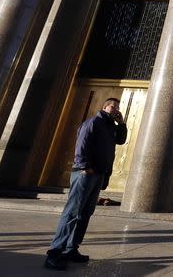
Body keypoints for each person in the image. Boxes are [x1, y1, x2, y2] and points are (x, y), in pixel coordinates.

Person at [44, 98, 128, 270]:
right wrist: (85, 167)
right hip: (86, 174)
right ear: (104, 107)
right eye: (113, 107)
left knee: (85, 213)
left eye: (118, 108)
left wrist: (122, 124)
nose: (115, 110)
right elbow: (81, 145)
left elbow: (120, 140)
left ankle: (71, 249)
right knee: (73, 212)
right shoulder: (93, 122)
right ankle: (55, 252)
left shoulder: (110, 126)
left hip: (99, 174)